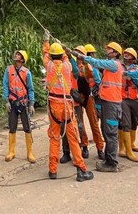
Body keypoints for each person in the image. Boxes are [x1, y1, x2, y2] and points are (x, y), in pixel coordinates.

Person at [42, 33, 94, 182]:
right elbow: (65, 58)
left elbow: (46, 54)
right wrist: (62, 48)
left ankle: (53, 170)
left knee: (54, 137)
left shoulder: (49, 65)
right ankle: (81, 170)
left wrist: (46, 40)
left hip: (54, 106)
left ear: (52, 55)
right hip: (66, 105)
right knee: (73, 137)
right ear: (62, 55)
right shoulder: (67, 66)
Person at [78, 42, 124, 172]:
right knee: (106, 131)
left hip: (112, 103)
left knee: (110, 133)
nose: (107, 50)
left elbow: (97, 63)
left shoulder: (114, 64)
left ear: (116, 53)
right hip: (108, 102)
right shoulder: (112, 66)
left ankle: (111, 163)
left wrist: (82, 56)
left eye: (109, 49)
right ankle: (108, 160)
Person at [2, 49, 36, 163]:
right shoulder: (8, 70)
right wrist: (6, 101)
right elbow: (5, 85)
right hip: (12, 103)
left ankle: (30, 153)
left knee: (27, 127)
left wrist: (31, 104)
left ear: (22, 59)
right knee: (12, 127)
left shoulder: (26, 72)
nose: (16, 55)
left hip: (23, 103)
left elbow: (30, 89)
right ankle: (11, 152)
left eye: (19, 55)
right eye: (16, 54)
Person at [118, 46, 138, 161]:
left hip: (133, 98)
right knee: (125, 123)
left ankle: (132, 144)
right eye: (125, 54)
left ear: (133, 58)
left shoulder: (136, 68)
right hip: (122, 98)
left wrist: (131, 77)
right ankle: (124, 149)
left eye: (129, 55)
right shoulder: (119, 66)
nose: (126, 56)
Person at [78, 44, 106, 160]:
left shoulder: (89, 67)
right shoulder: (72, 67)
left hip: (89, 96)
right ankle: (84, 146)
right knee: (80, 124)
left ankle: (100, 148)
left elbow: (96, 80)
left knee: (94, 123)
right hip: (78, 97)